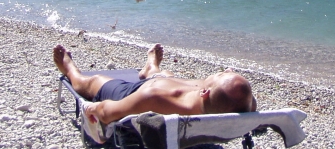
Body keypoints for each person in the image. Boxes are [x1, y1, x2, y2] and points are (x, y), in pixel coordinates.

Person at [53, 43, 256, 126]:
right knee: (166, 76)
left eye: (219, 74)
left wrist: (92, 107)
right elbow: (245, 100)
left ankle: (70, 69)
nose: (226, 70)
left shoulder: (154, 98)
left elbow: (107, 113)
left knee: (93, 82)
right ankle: (152, 68)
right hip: (164, 83)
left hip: (139, 91)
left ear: (204, 92)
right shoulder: (235, 105)